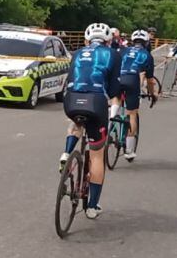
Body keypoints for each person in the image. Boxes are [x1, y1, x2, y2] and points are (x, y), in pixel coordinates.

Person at [60, 23, 121, 220]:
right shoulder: (113, 54)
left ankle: (67, 152)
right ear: (108, 41)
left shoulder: (77, 53)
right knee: (97, 155)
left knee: (76, 122)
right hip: (95, 102)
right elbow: (113, 90)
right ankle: (92, 206)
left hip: (71, 99)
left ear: (87, 40)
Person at [114, 29, 156, 161]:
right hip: (132, 81)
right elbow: (150, 80)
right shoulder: (147, 55)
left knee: (116, 100)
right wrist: (152, 93)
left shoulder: (123, 50)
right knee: (132, 114)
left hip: (118, 79)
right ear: (146, 42)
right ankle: (129, 150)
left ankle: (112, 118)